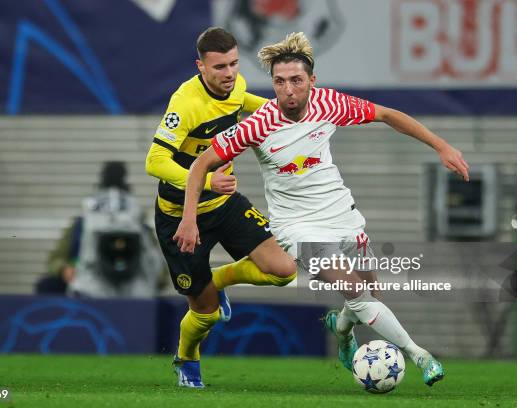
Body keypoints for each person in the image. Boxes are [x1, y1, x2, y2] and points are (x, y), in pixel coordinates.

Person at [175, 32, 470, 387]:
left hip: (341, 215)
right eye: (280, 82)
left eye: (296, 81)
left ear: (311, 82)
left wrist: (441, 146)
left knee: (369, 298)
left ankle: (342, 331)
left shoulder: (329, 103)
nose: (288, 90)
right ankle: (420, 355)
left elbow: (388, 114)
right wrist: (189, 218)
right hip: (297, 228)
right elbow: (199, 165)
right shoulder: (257, 125)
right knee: (357, 294)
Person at [145, 27, 297, 388]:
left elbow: (247, 104)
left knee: (284, 270)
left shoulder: (237, 84)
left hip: (224, 204)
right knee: (207, 314)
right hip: (180, 216)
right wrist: (208, 181)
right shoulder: (185, 103)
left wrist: (289, 115)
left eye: (233, 64)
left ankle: (220, 278)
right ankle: (187, 357)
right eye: (219, 67)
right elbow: (155, 161)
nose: (229, 74)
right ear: (200, 66)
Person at [66, 161, 166, 298]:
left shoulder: (89, 209)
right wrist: (63, 267)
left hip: (93, 285)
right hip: (134, 289)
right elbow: (153, 257)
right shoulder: (134, 207)